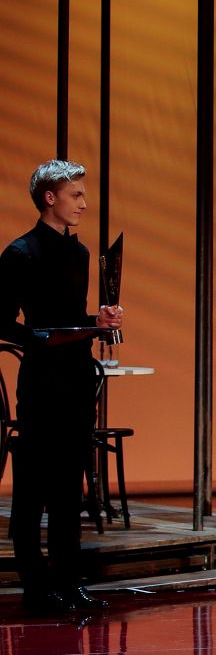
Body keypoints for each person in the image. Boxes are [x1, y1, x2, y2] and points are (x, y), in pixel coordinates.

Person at [0, 160, 123, 614]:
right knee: (34, 490)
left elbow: (73, 318)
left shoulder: (80, 254)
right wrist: (42, 338)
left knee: (71, 489)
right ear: (50, 198)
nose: (83, 203)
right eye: (76, 195)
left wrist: (98, 322)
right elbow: (1, 321)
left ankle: (70, 584)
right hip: (42, 381)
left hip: (77, 378)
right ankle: (37, 589)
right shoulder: (21, 253)